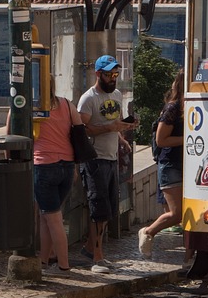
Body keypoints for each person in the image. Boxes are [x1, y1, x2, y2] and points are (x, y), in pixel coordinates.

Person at [77, 54, 135, 273]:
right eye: (109, 74)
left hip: (111, 157)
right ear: (98, 74)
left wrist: (122, 134)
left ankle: (91, 248)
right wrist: (110, 129)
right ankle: (97, 258)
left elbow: (113, 123)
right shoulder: (88, 99)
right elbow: (82, 130)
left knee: (108, 208)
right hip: (95, 159)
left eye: (115, 74)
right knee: (98, 208)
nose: (113, 78)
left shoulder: (117, 95)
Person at [139, 71, 185, 259]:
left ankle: (189, 257)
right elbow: (161, 140)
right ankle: (148, 232)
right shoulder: (172, 108)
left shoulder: (187, 107)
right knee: (176, 214)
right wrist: (187, 138)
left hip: (185, 163)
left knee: (187, 213)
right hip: (170, 164)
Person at [32, 90, 77, 274]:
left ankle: (63, 266)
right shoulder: (67, 104)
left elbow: (12, 131)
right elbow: (80, 129)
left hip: (44, 165)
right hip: (67, 165)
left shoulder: (29, 106)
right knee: (47, 217)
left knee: (54, 219)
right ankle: (44, 261)